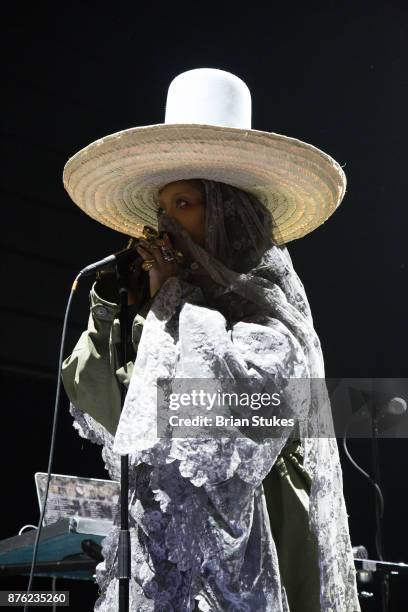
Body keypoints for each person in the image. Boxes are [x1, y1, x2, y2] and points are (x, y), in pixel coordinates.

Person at [61, 69, 361, 611]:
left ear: (227, 212)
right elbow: (112, 410)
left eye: (185, 204)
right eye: (163, 209)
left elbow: (229, 426)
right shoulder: (156, 314)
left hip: (262, 531)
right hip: (166, 555)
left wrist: (175, 308)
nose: (166, 225)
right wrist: (115, 311)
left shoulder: (269, 314)